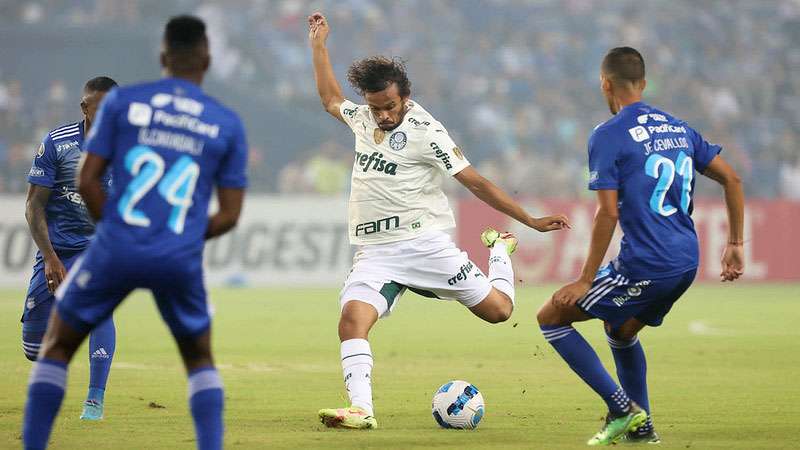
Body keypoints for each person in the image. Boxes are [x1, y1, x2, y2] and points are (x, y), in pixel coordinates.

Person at [308, 12, 570, 429]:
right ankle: (362, 409)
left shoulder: (427, 131)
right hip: (375, 251)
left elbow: (476, 181)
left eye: (390, 107)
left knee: (499, 311)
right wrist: (319, 47)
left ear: (405, 97)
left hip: (424, 244)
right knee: (352, 319)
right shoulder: (364, 118)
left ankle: (499, 250)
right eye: (376, 108)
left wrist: (530, 221)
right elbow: (329, 99)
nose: (383, 116)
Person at [22, 15, 248, 450]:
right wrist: (178, 238)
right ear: (208, 59)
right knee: (199, 358)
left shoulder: (125, 106)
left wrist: (119, 231)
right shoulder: (226, 121)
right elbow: (231, 215)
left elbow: (88, 181)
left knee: (56, 347)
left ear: (162, 57)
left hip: (117, 246)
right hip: (177, 254)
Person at [537, 47, 745, 446]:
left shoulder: (608, 134)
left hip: (647, 261)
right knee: (620, 329)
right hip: (686, 260)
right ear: (644, 84)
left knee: (552, 317)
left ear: (605, 84)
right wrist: (735, 243)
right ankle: (643, 428)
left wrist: (583, 280)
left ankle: (623, 408)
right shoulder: (678, 128)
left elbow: (607, 214)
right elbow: (732, 180)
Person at [23, 76, 118, 421]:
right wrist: (49, 257)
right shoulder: (57, 144)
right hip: (57, 250)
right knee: (33, 347)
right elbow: (34, 206)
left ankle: (94, 400)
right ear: (85, 107)